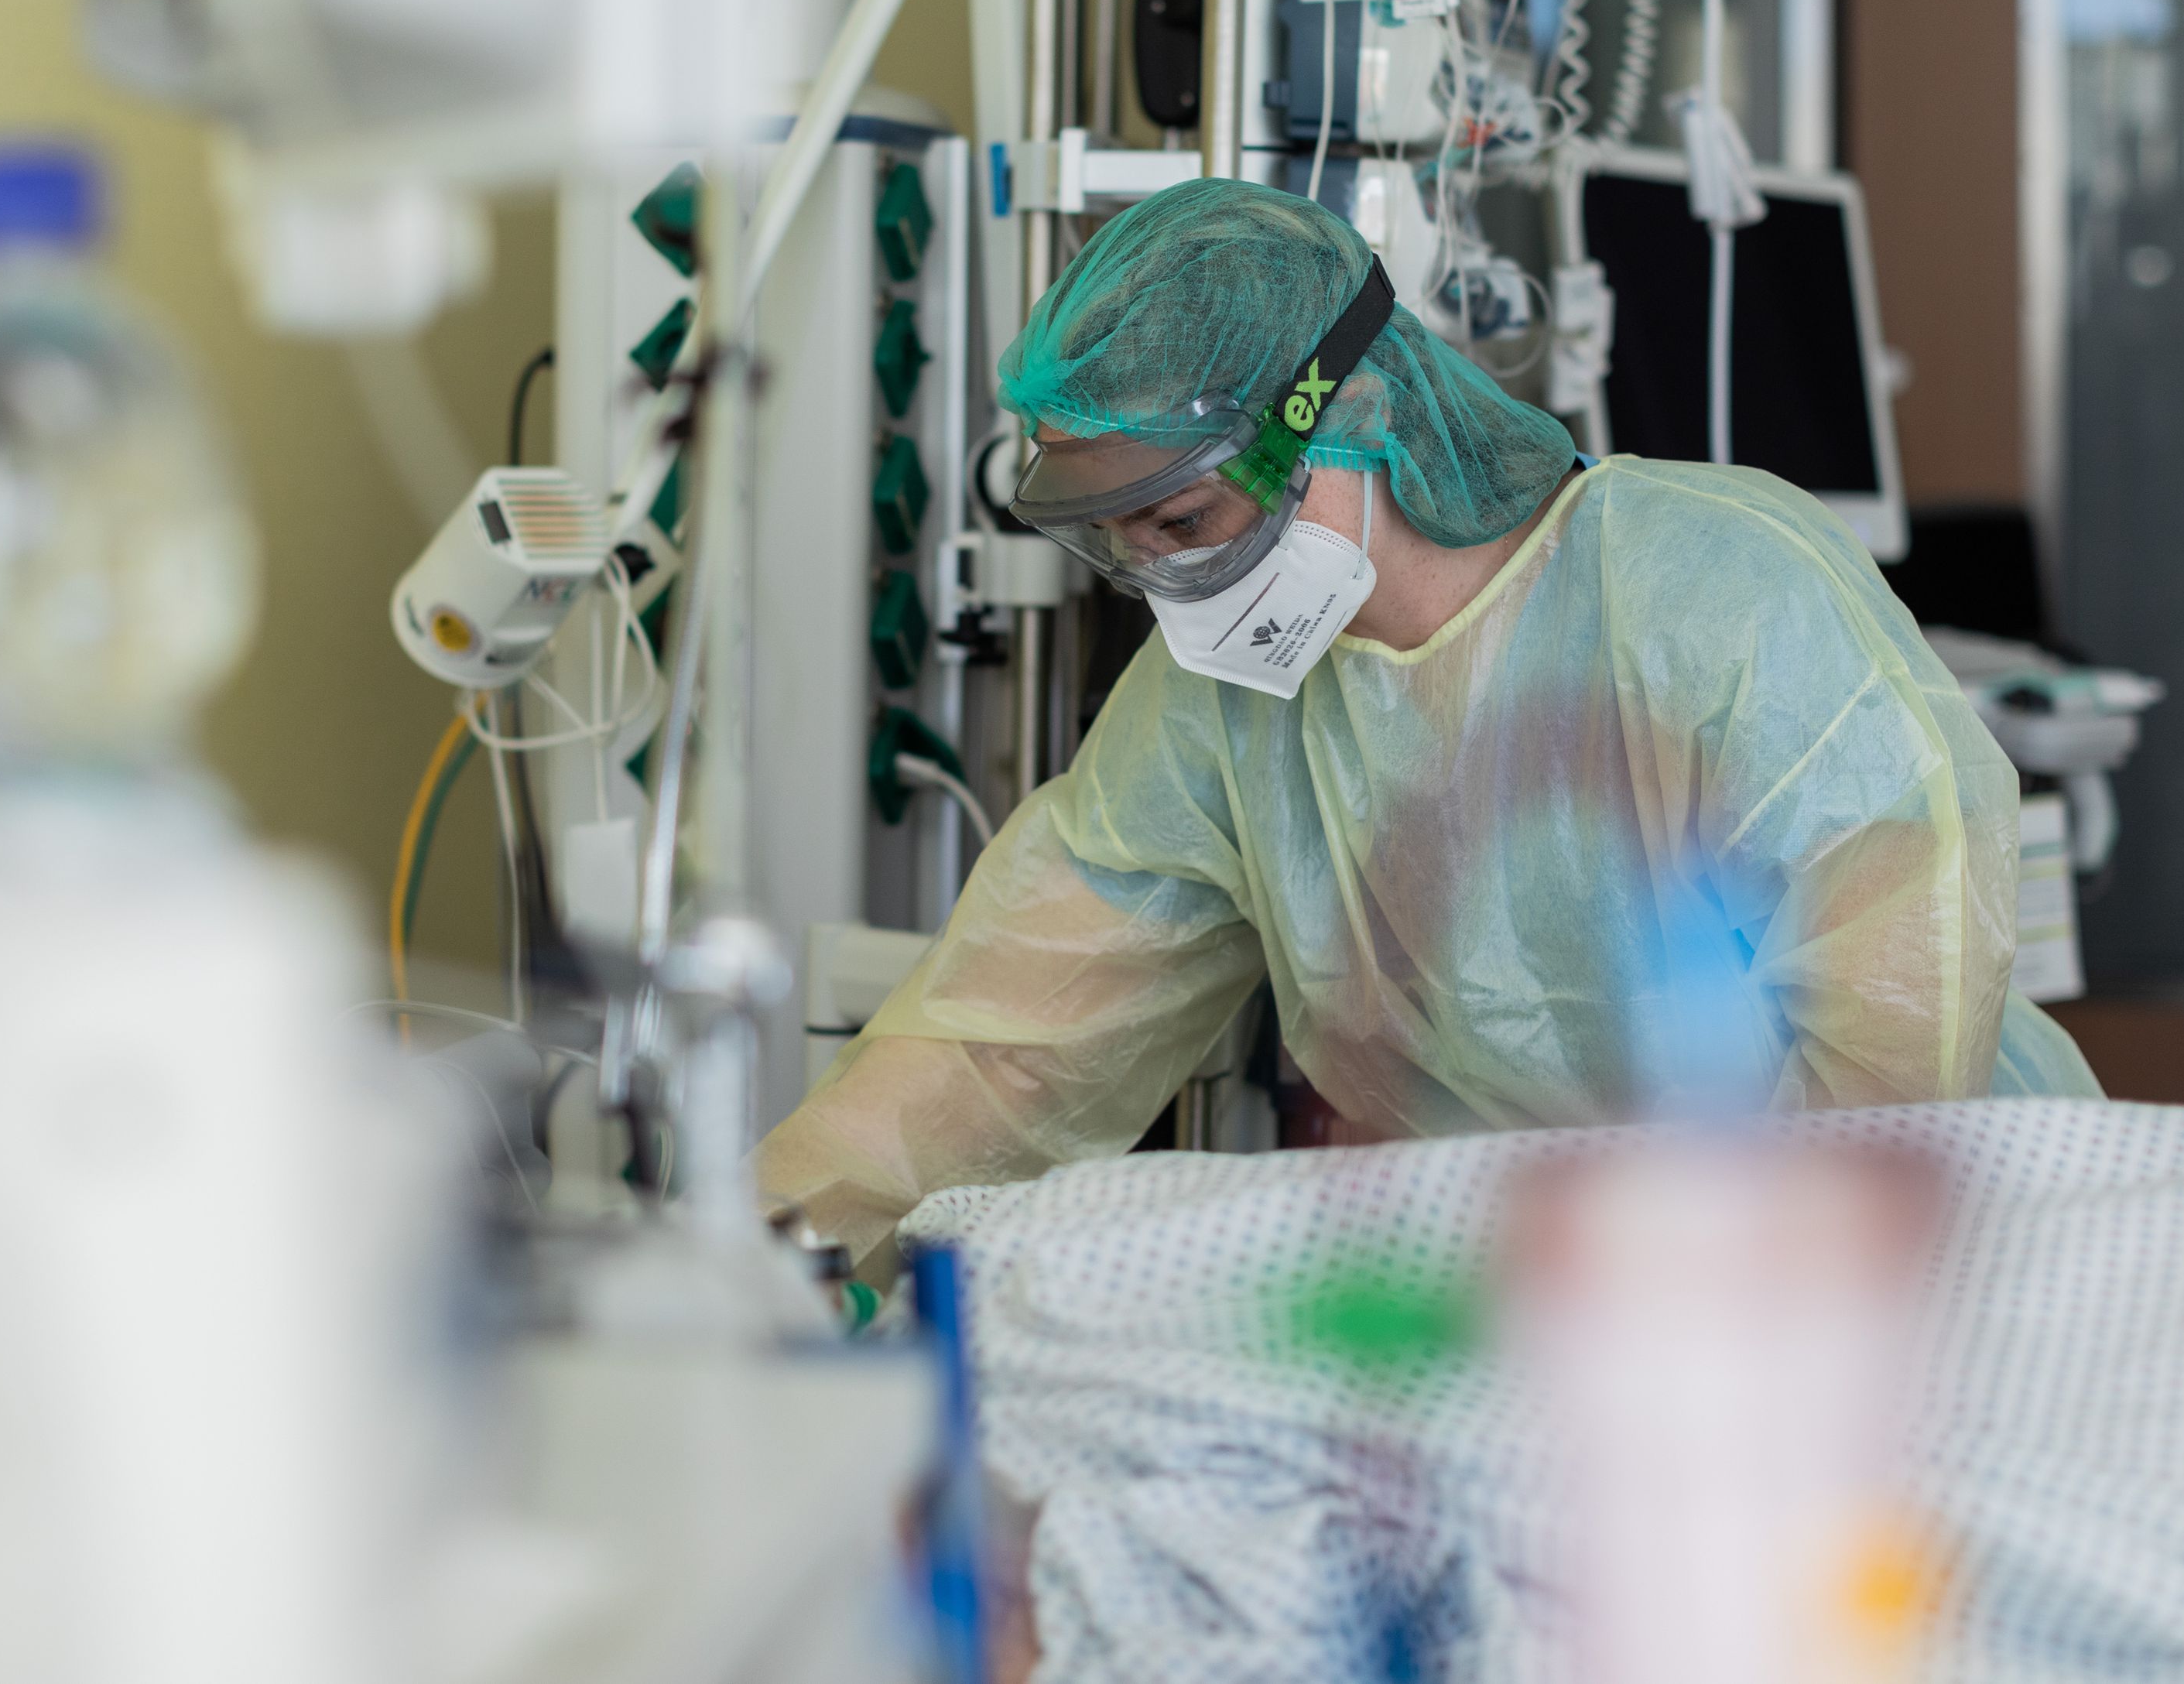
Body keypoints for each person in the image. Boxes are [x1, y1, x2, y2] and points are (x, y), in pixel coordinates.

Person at [757, 179, 2098, 1276]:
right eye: (1124, 546)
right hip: (1560, 1317)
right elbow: (1004, 1045)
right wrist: (770, 1259)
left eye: (1187, 524)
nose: (1168, 581)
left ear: (1345, 413)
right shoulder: (1219, 709)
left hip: (1939, 1279)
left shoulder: (1714, 593)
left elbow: (1890, 1066)